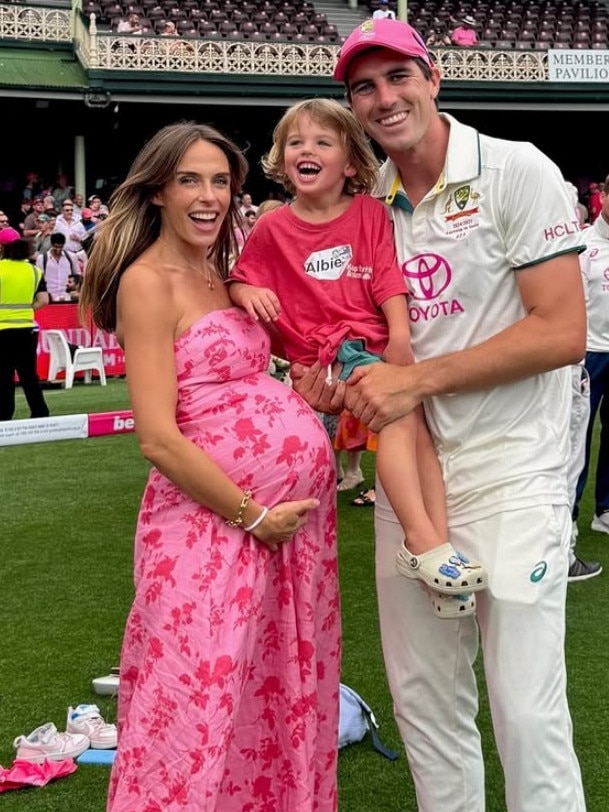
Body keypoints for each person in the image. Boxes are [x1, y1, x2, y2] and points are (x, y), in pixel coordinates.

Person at [292, 17, 587, 811]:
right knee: (426, 709)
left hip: (513, 467)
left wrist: (413, 384)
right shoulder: (362, 205)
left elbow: (561, 330)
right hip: (410, 479)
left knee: (525, 710)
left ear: (433, 78)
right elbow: (345, 338)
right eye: (363, 86)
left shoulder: (515, 169)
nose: (384, 98)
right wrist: (329, 383)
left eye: (397, 77)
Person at [78, 121, 340, 812]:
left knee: (265, 692)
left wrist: (297, 399)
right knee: (192, 702)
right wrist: (254, 516)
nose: (208, 195)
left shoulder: (222, 273)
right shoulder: (147, 283)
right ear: (157, 190)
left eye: (220, 181)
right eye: (190, 179)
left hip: (284, 535)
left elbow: (238, 387)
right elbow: (159, 438)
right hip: (210, 532)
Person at [230, 98, 488, 618]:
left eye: (322, 142)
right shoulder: (273, 226)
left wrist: (398, 334)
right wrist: (245, 296)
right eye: (296, 143)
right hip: (325, 356)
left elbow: (388, 275)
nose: (307, 150)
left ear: (350, 163)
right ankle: (423, 544)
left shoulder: (371, 212)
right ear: (282, 158)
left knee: (420, 437)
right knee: (398, 426)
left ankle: (438, 553)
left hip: (371, 349)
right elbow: (240, 278)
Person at [573, 172, 609, 538]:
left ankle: (605, 509)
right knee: (577, 437)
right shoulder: (583, 243)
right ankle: (569, 512)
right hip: (588, 352)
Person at [0, 227, 50, 421]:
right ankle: (40, 412)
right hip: (27, 329)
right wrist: (27, 310)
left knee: (3, 376)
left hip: (2, 330)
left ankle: (4, 415)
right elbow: (44, 300)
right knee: (29, 375)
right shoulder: (34, 271)